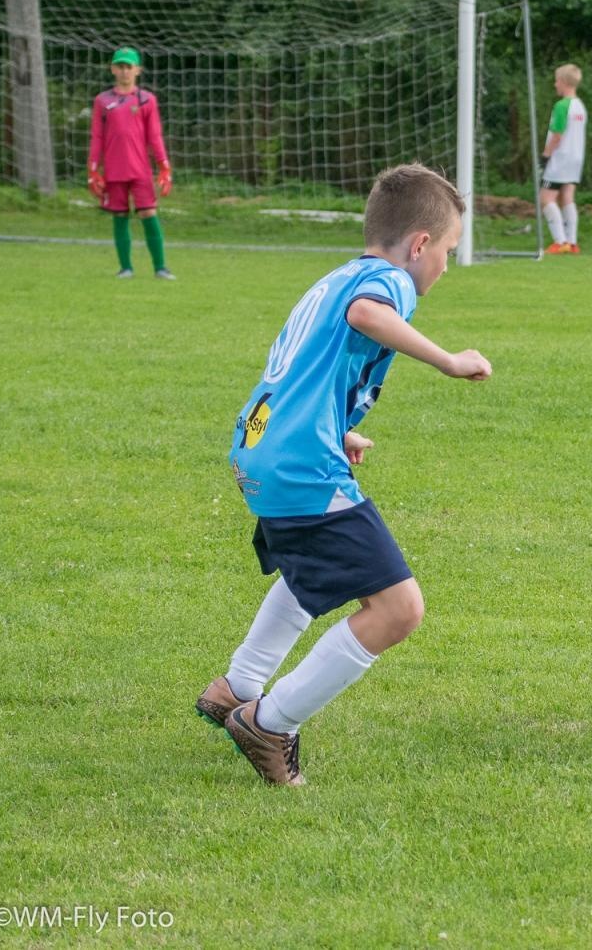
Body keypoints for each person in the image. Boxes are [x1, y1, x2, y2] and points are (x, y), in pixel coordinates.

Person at [197, 163, 493, 786]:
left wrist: (337, 426)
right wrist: (447, 360)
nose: (444, 265)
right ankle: (268, 722)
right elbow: (366, 315)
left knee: (312, 571)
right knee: (397, 609)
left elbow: (304, 368)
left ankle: (237, 688)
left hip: (261, 445)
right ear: (419, 244)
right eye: (447, 251)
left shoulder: (336, 275)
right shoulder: (385, 281)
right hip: (300, 462)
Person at [88, 47, 174, 279]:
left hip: (140, 170)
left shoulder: (147, 100)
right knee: (120, 215)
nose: (125, 71)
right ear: (113, 69)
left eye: (129, 67)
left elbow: (154, 136)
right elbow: (97, 136)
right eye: (121, 66)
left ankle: (160, 268)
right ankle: (125, 268)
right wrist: (93, 169)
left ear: (138, 70)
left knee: (148, 213)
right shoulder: (102, 101)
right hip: (115, 170)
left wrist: (164, 166)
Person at [540, 63, 588, 255]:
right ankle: (572, 241)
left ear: (563, 82)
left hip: (560, 158)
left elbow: (557, 134)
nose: (555, 84)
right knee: (568, 196)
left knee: (546, 197)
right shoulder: (580, 106)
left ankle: (560, 241)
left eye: (557, 80)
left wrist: (546, 155)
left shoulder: (562, 106)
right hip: (576, 158)